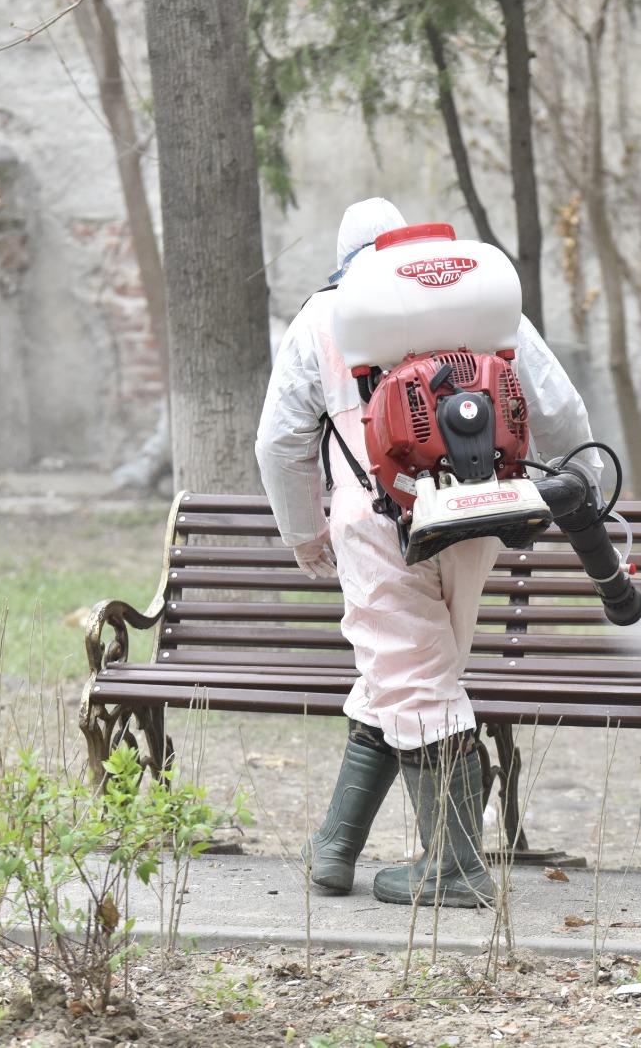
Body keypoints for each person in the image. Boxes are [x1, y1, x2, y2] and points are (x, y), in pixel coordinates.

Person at [255, 199, 601, 907]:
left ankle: (457, 867)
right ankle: (336, 846)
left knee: (415, 680)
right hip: (475, 516)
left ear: (346, 260)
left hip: (379, 523)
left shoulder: (326, 315)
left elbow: (279, 442)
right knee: (415, 669)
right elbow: (558, 408)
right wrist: (585, 494)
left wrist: (302, 534)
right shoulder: (477, 298)